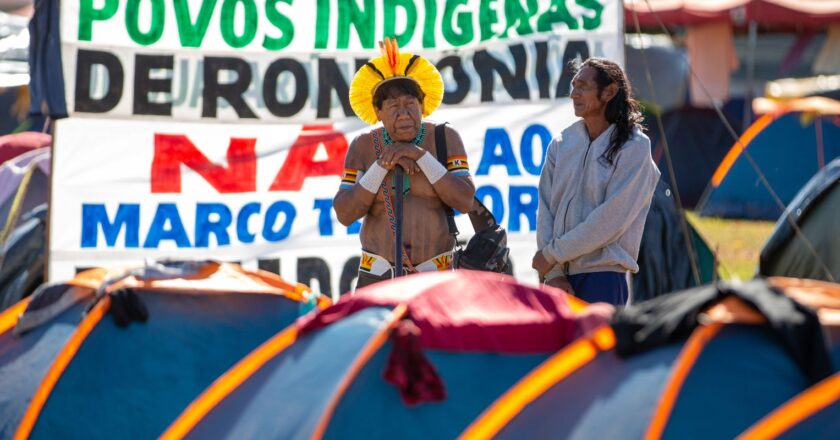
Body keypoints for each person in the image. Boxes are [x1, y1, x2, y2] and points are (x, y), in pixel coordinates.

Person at [334, 38, 475, 289]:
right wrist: (381, 166)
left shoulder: (445, 138)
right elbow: (345, 213)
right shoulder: (363, 146)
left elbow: (464, 201)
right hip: (377, 278)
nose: (404, 114)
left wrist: (421, 156)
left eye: (411, 104)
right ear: (377, 112)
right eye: (393, 106)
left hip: (436, 278)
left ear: (422, 105)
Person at [532, 57, 660, 305]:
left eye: (583, 86)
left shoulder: (634, 146)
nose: (573, 94)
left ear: (610, 92)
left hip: (603, 277)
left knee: (597, 345)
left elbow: (611, 219)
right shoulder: (562, 143)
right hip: (557, 279)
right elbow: (545, 207)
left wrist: (551, 254)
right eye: (573, 85)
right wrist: (554, 272)